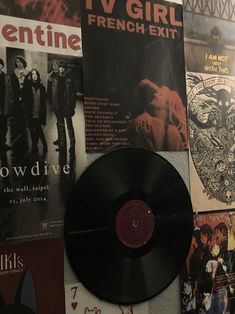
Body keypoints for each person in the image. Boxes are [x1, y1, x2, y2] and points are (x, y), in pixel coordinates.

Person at [129, 79, 188, 151]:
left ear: (167, 105)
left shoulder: (172, 132)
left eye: (160, 95)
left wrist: (148, 140)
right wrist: (151, 85)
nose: (155, 94)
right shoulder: (144, 119)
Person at [47, 59, 76, 152]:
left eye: (63, 68)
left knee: (69, 127)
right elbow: (53, 93)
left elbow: (73, 95)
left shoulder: (69, 80)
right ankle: (62, 145)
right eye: (60, 67)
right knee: (61, 127)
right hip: (58, 106)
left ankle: (72, 145)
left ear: (65, 69)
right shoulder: (55, 80)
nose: (61, 69)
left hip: (67, 106)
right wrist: (53, 105)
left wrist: (72, 107)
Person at [24, 69, 47, 152]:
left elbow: (44, 102)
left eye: (35, 74)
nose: (34, 75)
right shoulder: (27, 86)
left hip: (38, 112)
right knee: (31, 129)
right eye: (32, 74)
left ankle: (36, 145)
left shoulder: (42, 87)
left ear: (38, 75)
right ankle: (39, 144)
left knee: (37, 128)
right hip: (30, 112)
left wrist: (44, 113)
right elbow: (24, 99)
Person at [11, 55, 29, 142]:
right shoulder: (14, 72)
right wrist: (17, 95)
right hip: (16, 95)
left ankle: (23, 133)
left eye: (20, 62)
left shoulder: (28, 72)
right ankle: (16, 134)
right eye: (17, 62)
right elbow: (13, 85)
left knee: (25, 114)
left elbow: (28, 85)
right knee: (17, 114)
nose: (19, 64)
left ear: (23, 62)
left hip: (25, 95)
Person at [0, 58, 13, 151]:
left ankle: (3, 143)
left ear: (2, 65)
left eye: (0, 64)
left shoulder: (6, 77)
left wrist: (10, 103)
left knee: (4, 126)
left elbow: (11, 92)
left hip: (4, 104)